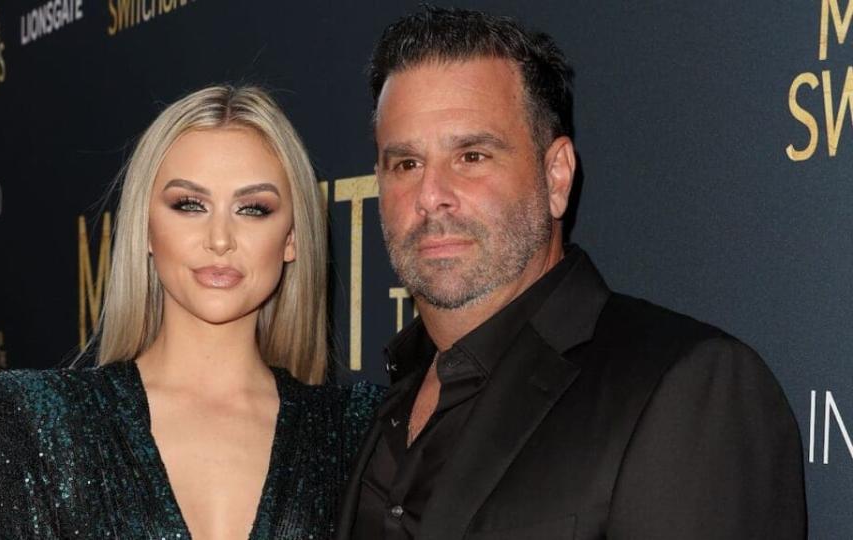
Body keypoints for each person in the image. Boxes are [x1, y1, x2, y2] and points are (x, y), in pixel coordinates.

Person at [336, 7, 807, 540]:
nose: (430, 196)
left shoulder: (685, 388)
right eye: (405, 164)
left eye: (471, 155)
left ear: (556, 175)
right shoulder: (379, 408)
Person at [0, 85, 383, 539]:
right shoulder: (55, 423)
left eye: (253, 209)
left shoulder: (354, 429)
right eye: (189, 205)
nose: (219, 238)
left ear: (291, 238)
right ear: (147, 229)